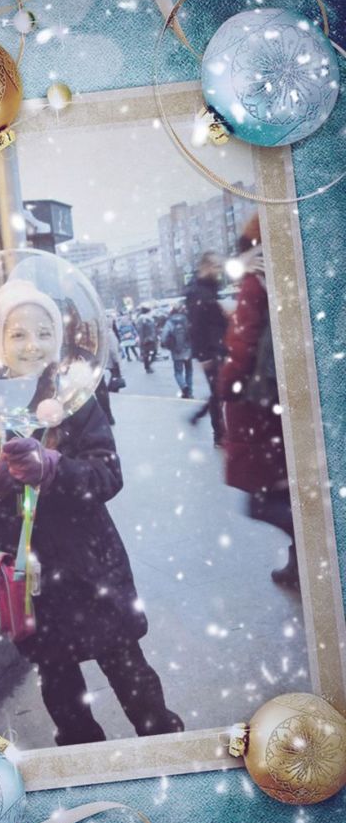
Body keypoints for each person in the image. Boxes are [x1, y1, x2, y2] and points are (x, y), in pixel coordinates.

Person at [0, 281, 184, 745]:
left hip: (89, 563)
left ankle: (165, 745)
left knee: (127, 666)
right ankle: (81, 756)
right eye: (17, 334)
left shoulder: (75, 396)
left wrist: (53, 469)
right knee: (57, 679)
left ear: (57, 337)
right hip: (30, 573)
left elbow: (107, 475)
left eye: (43, 332)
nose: (32, 345)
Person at [218, 217, 298, 586]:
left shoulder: (256, 280)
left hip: (261, 402)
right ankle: (302, 561)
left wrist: (226, 383)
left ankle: (318, 550)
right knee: (289, 486)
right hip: (285, 395)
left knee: (262, 500)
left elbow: (243, 345)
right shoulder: (289, 269)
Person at [185, 252, 228, 446]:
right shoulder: (197, 292)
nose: (219, 270)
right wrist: (203, 355)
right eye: (216, 266)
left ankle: (201, 417)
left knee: (220, 390)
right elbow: (196, 326)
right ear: (206, 267)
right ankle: (219, 433)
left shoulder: (210, 288)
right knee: (219, 390)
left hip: (220, 346)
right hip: (211, 350)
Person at [161, 305, 193, 398]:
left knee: (178, 372)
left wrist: (166, 345)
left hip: (176, 351)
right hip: (188, 349)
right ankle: (189, 391)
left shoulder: (170, 322)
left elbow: (164, 337)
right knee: (189, 371)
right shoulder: (186, 319)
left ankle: (184, 387)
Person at [136, 306, 156, 374]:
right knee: (147, 354)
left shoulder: (147, 319)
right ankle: (147, 367)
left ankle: (148, 366)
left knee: (149, 353)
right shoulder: (143, 319)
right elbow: (141, 331)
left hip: (149, 338)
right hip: (147, 339)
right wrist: (142, 340)